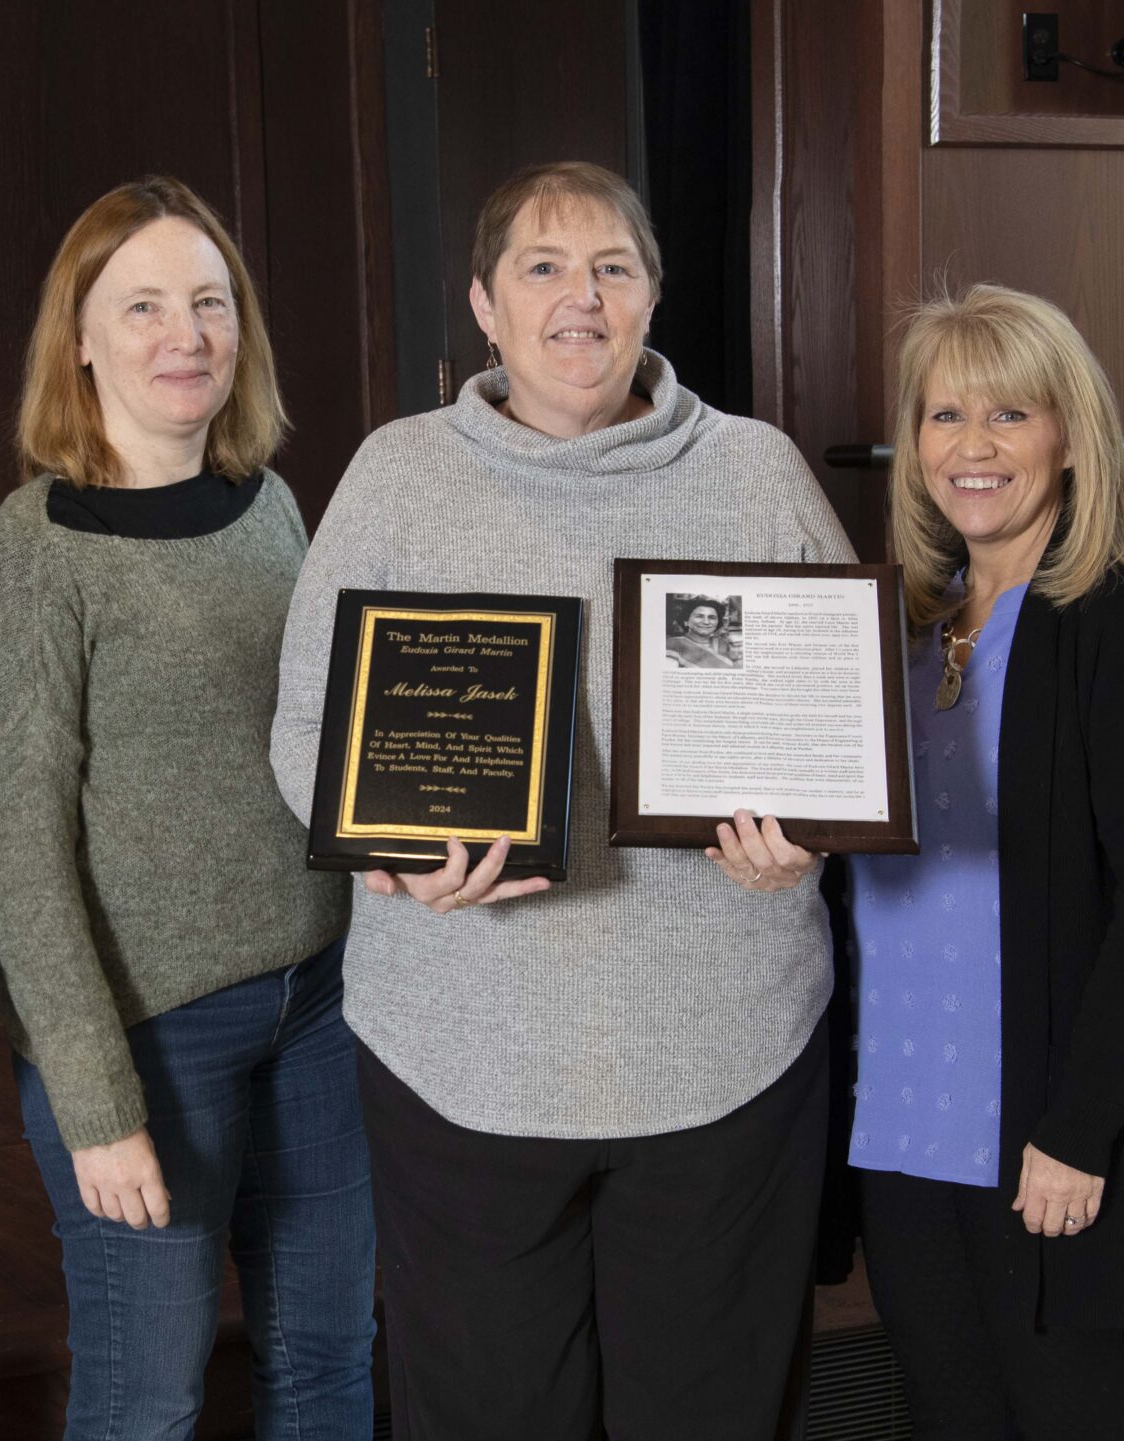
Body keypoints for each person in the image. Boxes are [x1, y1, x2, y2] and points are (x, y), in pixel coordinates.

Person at [270, 161, 853, 1441]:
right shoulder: (397, 475)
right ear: (484, 305)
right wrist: (387, 848)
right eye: (542, 268)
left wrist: (799, 849)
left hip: (722, 1052)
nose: (577, 300)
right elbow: (310, 726)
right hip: (459, 1056)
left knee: (707, 1411)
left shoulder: (753, 473)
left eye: (612, 269)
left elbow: (838, 734)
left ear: (653, 299)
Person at [0, 176, 368, 1439]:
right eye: (142, 306)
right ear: (78, 338)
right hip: (151, 1041)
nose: (184, 334)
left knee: (329, 1371)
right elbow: (20, 864)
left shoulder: (278, 505)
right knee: (144, 1403)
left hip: (320, 1009)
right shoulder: (33, 555)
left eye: (208, 301)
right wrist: (96, 1106)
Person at [843, 285, 1124, 1438]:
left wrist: (1077, 1129)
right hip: (900, 1123)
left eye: (1009, 414)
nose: (972, 446)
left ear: (1068, 435)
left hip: (1046, 1132)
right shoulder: (897, 628)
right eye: (945, 415)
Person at [665, 597, 742, 668]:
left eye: (712, 617)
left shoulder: (725, 645)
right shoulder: (674, 644)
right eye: (699, 616)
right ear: (686, 621)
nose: (706, 622)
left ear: (717, 623)